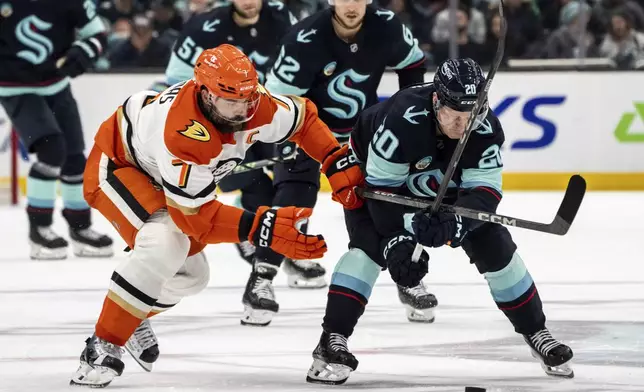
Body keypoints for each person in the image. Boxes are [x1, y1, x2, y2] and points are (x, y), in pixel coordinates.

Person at [69, 44, 364, 388]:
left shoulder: (256, 104)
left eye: (247, 99)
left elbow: (304, 118)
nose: (242, 110)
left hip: (164, 173)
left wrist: (333, 157)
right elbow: (194, 218)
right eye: (231, 101)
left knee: (193, 277)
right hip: (120, 166)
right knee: (165, 241)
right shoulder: (184, 132)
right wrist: (261, 227)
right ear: (206, 94)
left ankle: (128, 317)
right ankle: (102, 344)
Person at [305, 58, 574, 385]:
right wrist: (397, 241)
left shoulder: (485, 128)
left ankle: (537, 332)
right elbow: (381, 191)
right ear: (436, 102)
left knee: (498, 249)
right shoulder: (400, 120)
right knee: (367, 252)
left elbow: (485, 191)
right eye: (455, 117)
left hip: (446, 193)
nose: (463, 126)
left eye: (470, 117)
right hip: (379, 188)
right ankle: (331, 342)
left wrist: (457, 222)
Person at [254, 0, 437, 326]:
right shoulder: (304, 39)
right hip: (307, 133)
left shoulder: (387, 25)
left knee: (378, 204)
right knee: (293, 200)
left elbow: (413, 65)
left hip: (360, 134)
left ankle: (406, 275)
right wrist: (285, 138)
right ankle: (261, 279)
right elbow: (277, 100)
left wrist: (409, 118)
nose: (351, 4)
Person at [159, 0, 325, 296]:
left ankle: (292, 241)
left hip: (270, 115)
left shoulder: (282, 17)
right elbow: (174, 83)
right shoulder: (204, 27)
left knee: (296, 181)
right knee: (257, 185)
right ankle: (261, 232)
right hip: (224, 124)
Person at [0, 0, 113, 259]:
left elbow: (97, 33)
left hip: (56, 85)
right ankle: (40, 229)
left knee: (75, 158)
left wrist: (84, 51)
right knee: (52, 151)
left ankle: (81, 228)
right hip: (14, 87)